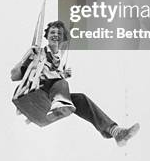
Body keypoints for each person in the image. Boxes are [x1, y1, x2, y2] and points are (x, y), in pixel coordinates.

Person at [11, 20, 140, 147]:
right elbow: (14, 75)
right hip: (35, 93)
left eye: (59, 33)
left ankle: (116, 132)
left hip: (48, 101)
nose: (55, 35)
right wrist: (25, 59)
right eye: (52, 32)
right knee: (62, 82)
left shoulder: (59, 63)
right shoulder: (38, 54)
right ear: (47, 35)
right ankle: (59, 104)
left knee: (81, 99)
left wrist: (61, 74)